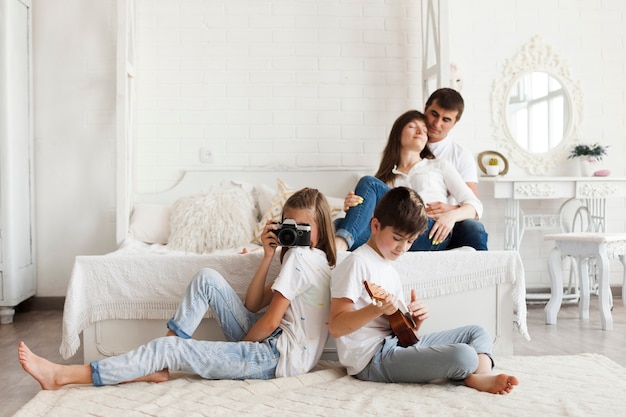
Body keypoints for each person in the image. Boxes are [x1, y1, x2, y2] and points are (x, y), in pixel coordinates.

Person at [19, 187, 337, 389]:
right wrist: (267, 256)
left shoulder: (301, 261)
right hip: (283, 350)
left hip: (271, 357)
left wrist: (237, 350)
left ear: (321, 230)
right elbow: (254, 305)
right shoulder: (313, 260)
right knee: (208, 278)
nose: (295, 234)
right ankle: (158, 365)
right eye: (289, 226)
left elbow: (266, 323)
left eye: (304, 228)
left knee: (170, 349)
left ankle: (63, 376)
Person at [329, 186, 519, 394]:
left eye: (410, 241)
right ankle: (474, 371)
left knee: (478, 332)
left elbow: (403, 333)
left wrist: (414, 321)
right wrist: (375, 310)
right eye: (397, 238)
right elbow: (337, 326)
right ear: (375, 226)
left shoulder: (388, 267)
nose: (402, 248)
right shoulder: (357, 263)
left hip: (396, 345)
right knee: (464, 355)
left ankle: (478, 377)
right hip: (372, 358)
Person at [335, 109, 487, 252]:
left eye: (424, 130)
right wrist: (353, 205)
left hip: (431, 232)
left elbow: (475, 205)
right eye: (413, 126)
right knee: (339, 224)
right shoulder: (384, 179)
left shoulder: (439, 165)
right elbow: (373, 220)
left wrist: (450, 217)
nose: (420, 132)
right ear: (398, 133)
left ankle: (338, 246)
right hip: (396, 235)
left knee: (369, 183)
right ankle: (340, 246)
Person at [424, 87, 478, 198]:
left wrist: (449, 209)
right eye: (434, 114)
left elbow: (474, 206)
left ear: (455, 122)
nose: (437, 124)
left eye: (446, 120)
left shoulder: (461, 156)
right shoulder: (404, 145)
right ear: (425, 108)